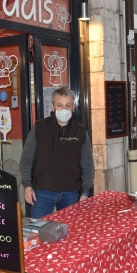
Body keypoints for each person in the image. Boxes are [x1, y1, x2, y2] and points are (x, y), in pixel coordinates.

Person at [19, 87, 94, 219]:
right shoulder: (39, 128)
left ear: (73, 107)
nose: (64, 109)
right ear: (53, 106)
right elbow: (26, 160)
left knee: (69, 232)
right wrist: (27, 185)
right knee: (39, 232)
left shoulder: (81, 131)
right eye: (60, 105)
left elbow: (88, 164)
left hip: (71, 193)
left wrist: (85, 192)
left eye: (67, 105)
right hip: (42, 192)